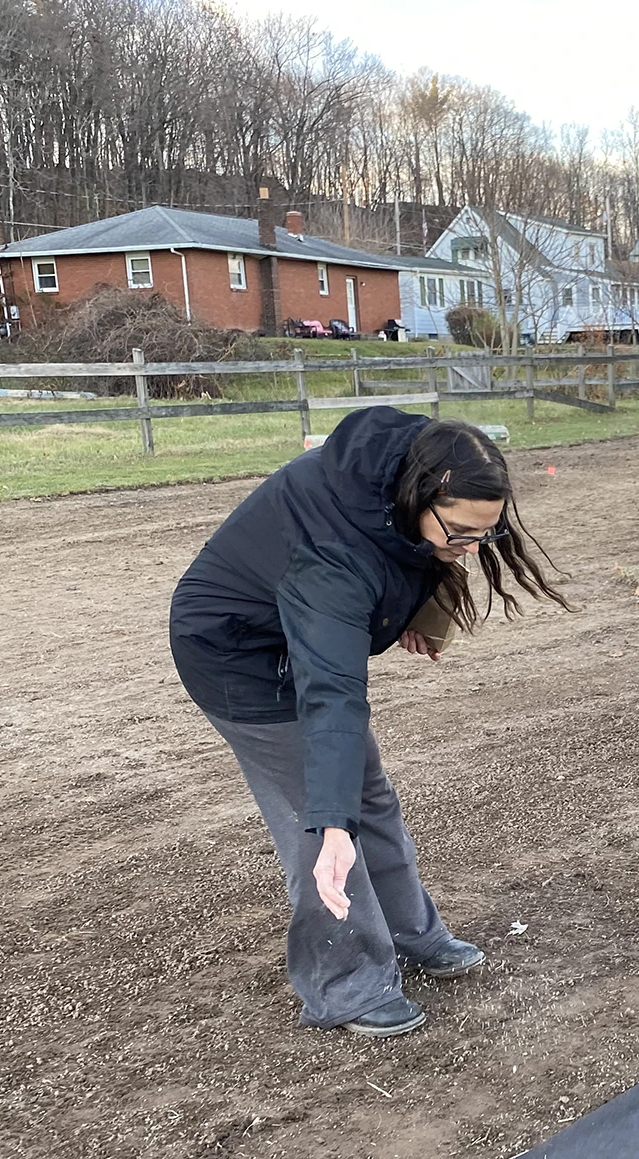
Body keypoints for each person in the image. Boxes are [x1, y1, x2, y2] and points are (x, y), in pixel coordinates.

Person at [170, 409, 566, 1037]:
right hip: (238, 655)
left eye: (483, 536)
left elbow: (412, 550)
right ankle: (346, 982)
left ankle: (411, 933)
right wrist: (329, 820)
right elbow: (334, 696)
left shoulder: (412, 464)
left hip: (299, 633)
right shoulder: (331, 554)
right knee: (322, 821)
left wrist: (422, 608)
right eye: (459, 532)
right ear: (422, 496)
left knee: (369, 798)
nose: (468, 548)